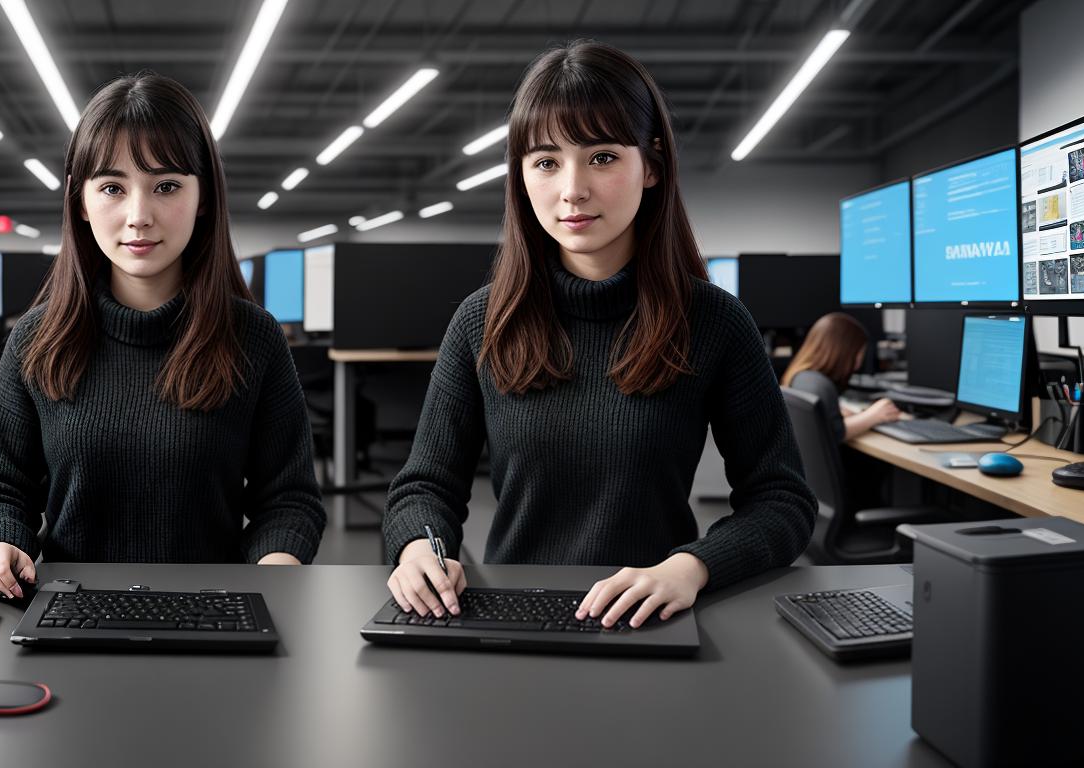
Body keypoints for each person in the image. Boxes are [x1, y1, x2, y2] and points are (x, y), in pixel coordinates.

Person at [381, 41, 816, 629]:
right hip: (513, 615)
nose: (572, 189)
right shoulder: (484, 321)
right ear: (521, 176)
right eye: (546, 161)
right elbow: (426, 484)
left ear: (652, 166)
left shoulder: (714, 323)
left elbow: (781, 502)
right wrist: (420, 549)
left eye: (603, 157)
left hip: (652, 614)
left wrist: (690, 566)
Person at [0, 72, 325, 599]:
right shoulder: (37, 340)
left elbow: (288, 500)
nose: (138, 216)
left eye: (167, 186)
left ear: (204, 199)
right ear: (81, 202)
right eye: (112, 187)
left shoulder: (253, 338)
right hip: (68, 610)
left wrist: (273, 569)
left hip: (213, 611)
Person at [781, 312, 903, 442]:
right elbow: (835, 433)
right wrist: (874, 415)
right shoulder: (821, 385)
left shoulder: (800, 376)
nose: (858, 364)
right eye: (860, 353)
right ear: (845, 352)